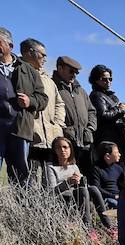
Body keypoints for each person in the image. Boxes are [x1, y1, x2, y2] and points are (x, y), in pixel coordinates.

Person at [0, 27, 48, 184]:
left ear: (10, 46)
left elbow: (42, 98)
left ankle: (21, 208)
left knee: (21, 176)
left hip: (20, 129)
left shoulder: (28, 70)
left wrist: (30, 101)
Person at [20, 38, 63, 186]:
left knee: (50, 182)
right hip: (30, 137)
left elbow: (59, 103)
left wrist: (57, 124)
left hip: (50, 139)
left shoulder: (49, 80)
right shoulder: (19, 72)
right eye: (42, 54)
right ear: (30, 52)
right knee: (29, 182)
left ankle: (48, 209)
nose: (45, 58)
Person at [46, 135, 111, 231]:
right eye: (58, 148)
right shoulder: (51, 167)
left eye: (65, 147)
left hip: (78, 194)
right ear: (54, 150)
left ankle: (109, 226)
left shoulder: (74, 166)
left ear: (70, 149)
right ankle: (88, 229)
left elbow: (82, 185)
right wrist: (68, 182)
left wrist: (80, 181)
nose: (62, 150)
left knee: (93, 188)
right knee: (83, 191)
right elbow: (51, 191)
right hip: (63, 198)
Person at [52, 55, 96, 173]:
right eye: (71, 71)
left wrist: (90, 128)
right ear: (60, 68)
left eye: (76, 72)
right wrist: (63, 129)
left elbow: (91, 111)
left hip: (84, 142)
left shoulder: (80, 90)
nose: (74, 75)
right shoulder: (52, 86)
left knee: (84, 175)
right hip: (65, 142)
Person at [88, 64, 125, 158]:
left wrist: (124, 114)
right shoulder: (97, 95)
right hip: (107, 138)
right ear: (96, 80)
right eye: (104, 79)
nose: (108, 82)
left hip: (116, 136)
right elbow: (102, 115)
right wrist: (119, 109)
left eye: (110, 79)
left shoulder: (110, 96)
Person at [89, 141, 125, 208]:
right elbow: (97, 188)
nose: (119, 154)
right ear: (107, 156)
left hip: (119, 197)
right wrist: (113, 196)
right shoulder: (96, 169)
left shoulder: (118, 169)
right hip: (105, 198)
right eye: (117, 152)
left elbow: (122, 186)